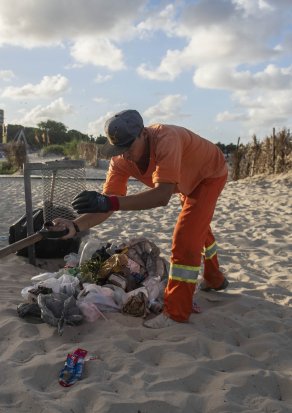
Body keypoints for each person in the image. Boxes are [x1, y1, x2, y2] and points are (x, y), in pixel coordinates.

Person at [52, 110, 229, 329]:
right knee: (197, 226)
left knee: (185, 238)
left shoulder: (166, 140)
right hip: (182, 179)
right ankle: (215, 279)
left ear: (144, 134)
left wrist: (110, 202)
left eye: (128, 146)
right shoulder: (120, 161)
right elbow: (107, 205)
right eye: (119, 149)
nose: (125, 154)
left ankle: (177, 313)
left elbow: (161, 196)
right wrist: (75, 225)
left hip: (208, 174)